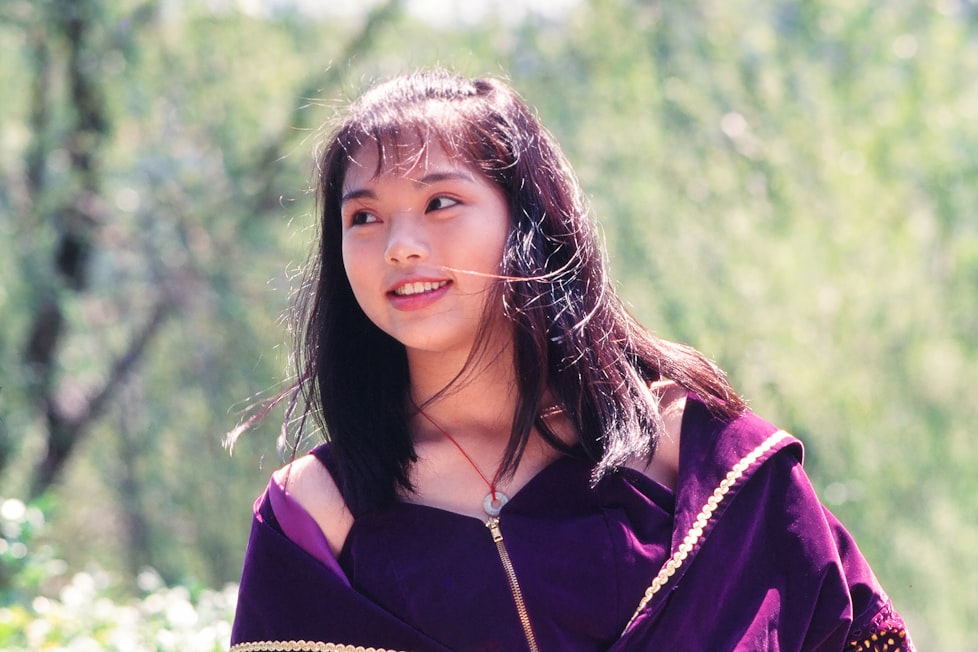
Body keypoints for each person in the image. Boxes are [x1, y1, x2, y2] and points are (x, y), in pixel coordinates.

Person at [229, 70, 913, 651]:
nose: (400, 245)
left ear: (527, 222)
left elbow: (856, 635)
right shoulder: (316, 514)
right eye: (364, 217)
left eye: (441, 202)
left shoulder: (695, 456)